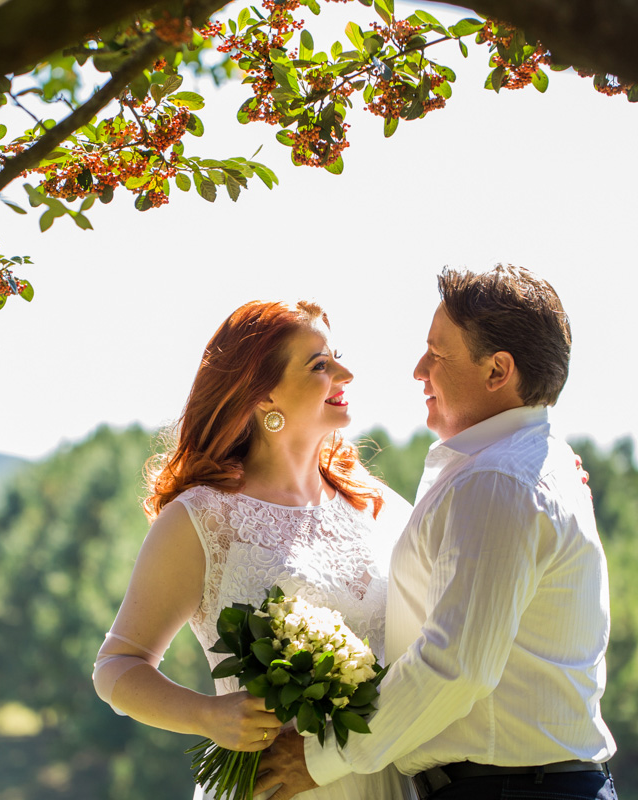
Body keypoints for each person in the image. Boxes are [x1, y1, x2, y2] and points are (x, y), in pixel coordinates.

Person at [255, 265, 617, 800]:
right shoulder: (524, 468)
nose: (419, 369)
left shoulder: (498, 481)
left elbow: (457, 666)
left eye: (437, 353)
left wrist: (318, 758)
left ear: (498, 370)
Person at [92, 299, 415, 800]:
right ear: (264, 396)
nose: (345, 373)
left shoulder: (377, 506)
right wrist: (208, 716)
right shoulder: (202, 519)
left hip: (385, 782)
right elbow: (116, 667)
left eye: (337, 357)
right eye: (320, 365)